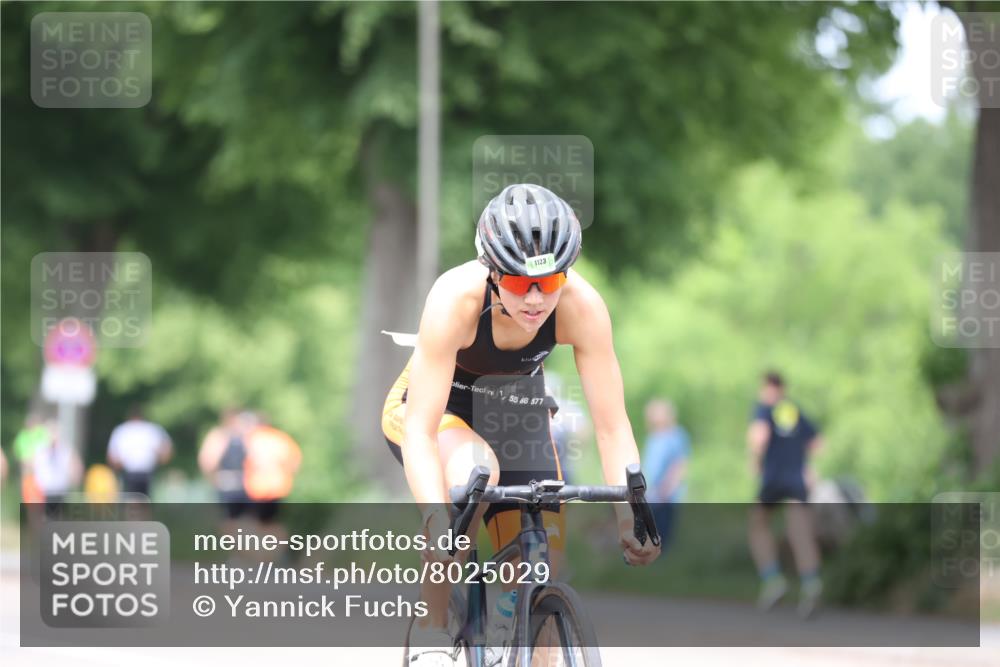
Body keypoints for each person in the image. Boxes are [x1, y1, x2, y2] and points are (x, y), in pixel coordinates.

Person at [381, 183, 660, 666]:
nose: (535, 300)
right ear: (491, 273)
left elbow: (613, 427)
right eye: (516, 283)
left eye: (550, 283)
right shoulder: (454, 298)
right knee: (475, 470)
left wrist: (629, 515)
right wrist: (435, 520)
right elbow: (422, 433)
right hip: (434, 411)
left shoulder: (583, 306)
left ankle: (515, 640)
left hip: (515, 412)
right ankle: (433, 626)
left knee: (536, 559)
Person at [746, 371, 824, 618]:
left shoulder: (764, 409)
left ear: (768, 388)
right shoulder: (794, 410)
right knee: (800, 531)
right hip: (796, 478)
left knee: (758, 525)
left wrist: (756, 460)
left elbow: (759, 437)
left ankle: (772, 579)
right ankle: (811, 584)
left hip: (773, 478)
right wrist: (803, 463)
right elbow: (817, 443)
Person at [641, 398, 690, 550]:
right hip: (652, 493)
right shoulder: (653, 437)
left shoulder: (676, 436)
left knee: (662, 534)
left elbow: (679, 465)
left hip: (666, 494)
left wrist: (666, 489)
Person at [242, 415, 302, 524]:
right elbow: (295, 460)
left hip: (256, 488)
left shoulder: (252, 438)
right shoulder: (280, 438)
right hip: (278, 487)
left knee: (255, 522)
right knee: (273, 522)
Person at [107, 405, 173, 498]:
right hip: (145, 472)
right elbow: (166, 449)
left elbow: (112, 455)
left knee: (132, 500)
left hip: (130, 472)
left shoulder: (122, 430)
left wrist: (115, 470)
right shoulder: (151, 429)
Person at [198, 408, 253, 521]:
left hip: (246, 484)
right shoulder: (220, 436)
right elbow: (208, 461)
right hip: (229, 482)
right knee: (232, 521)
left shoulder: (247, 436)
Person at [32, 434, 83, 515]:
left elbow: (74, 464)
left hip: (60, 488)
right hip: (47, 489)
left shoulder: (64, 450)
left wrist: (75, 477)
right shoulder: (41, 450)